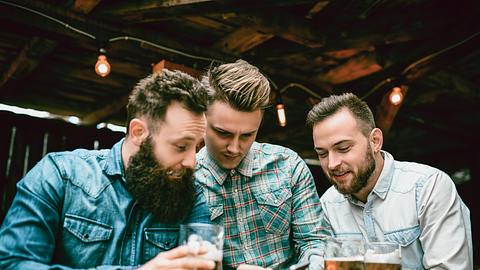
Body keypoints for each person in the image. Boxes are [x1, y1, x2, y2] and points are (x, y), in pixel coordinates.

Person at [0, 69, 216, 270]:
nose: (192, 162)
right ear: (139, 132)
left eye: (197, 147)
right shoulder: (60, 174)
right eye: (181, 146)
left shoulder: (190, 193)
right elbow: (12, 264)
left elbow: (201, 265)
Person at [306, 92, 473, 269]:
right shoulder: (327, 205)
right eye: (322, 154)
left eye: (343, 148)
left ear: (375, 141)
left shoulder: (428, 187)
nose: (332, 164)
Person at [195, 60, 326, 270]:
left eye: (247, 135)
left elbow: (315, 242)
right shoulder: (184, 179)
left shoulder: (288, 166)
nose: (235, 148)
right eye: (223, 133)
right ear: (202, 117)